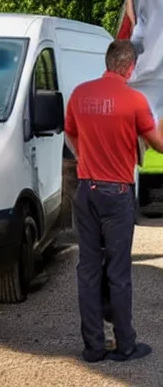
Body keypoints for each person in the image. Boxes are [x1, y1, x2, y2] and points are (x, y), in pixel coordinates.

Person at [64, 39, 163, 363]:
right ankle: (125, 345)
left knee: (88, 270)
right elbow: (158, 145)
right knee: (119, 273)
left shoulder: (80, 94)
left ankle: (93, 347)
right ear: (131, 67)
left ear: (107, 63)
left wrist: (83, 156)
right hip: (117, 194)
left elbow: (70, 132)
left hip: (86, 190)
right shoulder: (135, 100)